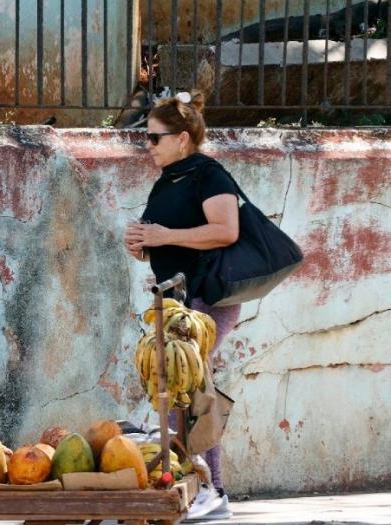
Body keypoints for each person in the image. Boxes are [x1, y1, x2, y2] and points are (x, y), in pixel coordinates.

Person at [124, 91, 239, 521]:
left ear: (184, 138)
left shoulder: (209, 175)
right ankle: (193, 486)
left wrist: (162, 237)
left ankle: (210, 489)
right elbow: (160, 236)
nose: (148, 145)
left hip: (208, 297)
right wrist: (140, 245)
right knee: (179, 391)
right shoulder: (168, 179)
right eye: (148, 138)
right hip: (173, 300)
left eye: (156, 138)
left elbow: (225, 231)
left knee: (188, 390)